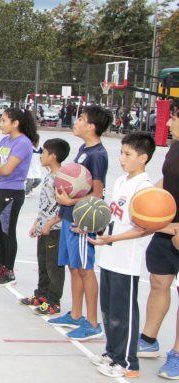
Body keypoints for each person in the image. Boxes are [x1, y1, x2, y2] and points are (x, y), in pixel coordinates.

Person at [87, 132, 156, 378]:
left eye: (128, 154)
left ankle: (128, 362)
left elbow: (144, 228)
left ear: (143, 158)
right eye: (121, 153)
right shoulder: (120, 182)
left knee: (123, 313)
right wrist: (95, 227)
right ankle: (113, 353)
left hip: (126, 260)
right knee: (108, 309)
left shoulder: (144, 188)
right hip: (109, 255)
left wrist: (112, 239)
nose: (122, 158)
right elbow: (112, 216)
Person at [48, 105, 111, 340]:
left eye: (81, 118)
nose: (76, 121)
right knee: (74, 267)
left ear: (91, 127)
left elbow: (97, 194)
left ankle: (93, 323)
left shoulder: (98, 155)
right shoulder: (85, 149)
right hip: (68, 216)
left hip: (81, 221)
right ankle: (75, 315)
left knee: (86, 270)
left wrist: (71, 200)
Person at [136, 99, 179, 379]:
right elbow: (165, 180)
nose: (167, 122)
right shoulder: (175, 147)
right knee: (158, 281)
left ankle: (177, 353)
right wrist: (145, 198)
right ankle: (149, 339)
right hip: (168, 228)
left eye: (173, 117)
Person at [0, 107, 38, 287]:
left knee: (6, 231)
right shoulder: (5, 140)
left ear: (15, 123)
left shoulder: (23, 143)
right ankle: (2, 264)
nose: (0, 123)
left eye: (4, 120)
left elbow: (7, 169)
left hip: (12, 192)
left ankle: (9, 271)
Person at [20, 138, 69, 315]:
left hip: (54, 230)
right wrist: (37, 222)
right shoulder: (49, 175)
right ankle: (42, 295)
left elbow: (63, 206)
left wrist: (50, 223)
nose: (41, 155)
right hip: (44, 227)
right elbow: (45, 204)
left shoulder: (61, 178)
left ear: (53, 156)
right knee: (43, 263)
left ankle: (54, 301)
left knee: (53, 266)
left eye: (45, 152)